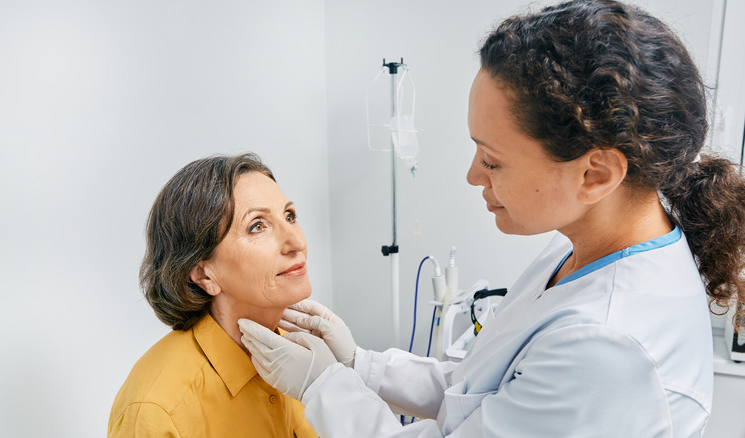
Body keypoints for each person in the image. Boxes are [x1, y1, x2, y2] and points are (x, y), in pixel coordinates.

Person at [238, 1, 745, 436]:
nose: (472, 176)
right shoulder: (580, 249)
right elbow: (475, 391)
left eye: (493, 159)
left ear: (595, 174)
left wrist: (323, 385)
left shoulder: (610, 347)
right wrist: (360, 365)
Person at [108, 154, 318, 437]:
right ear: (204, 275)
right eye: (257, 225)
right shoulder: (158, 409)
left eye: (289, 216)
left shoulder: (304, 358)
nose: (297, 242)